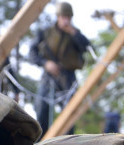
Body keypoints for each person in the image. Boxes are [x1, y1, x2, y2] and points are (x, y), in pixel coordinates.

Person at [28, 2, 90, 135]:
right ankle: (40, 143)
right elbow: (32, 54)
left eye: (68, 17)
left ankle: (68, 144)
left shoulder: (75, 34)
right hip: (48, 76)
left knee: (69, 114)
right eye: (63, 16)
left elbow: (87, 47)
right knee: (41, 109)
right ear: (58, 17)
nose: (66, 20)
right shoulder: (45, 32)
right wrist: (45, 63)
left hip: (68, 77)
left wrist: (74, 33)